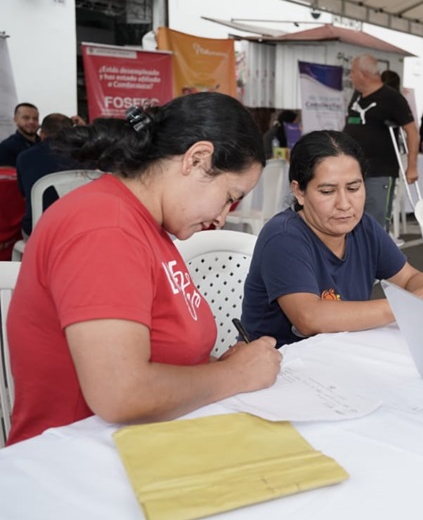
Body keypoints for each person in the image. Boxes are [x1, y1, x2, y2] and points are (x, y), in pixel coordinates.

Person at [6, 92, 283, 445]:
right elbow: (121, 393)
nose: (222, 217)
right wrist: (235, 374)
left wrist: (217, 367)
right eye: (230, 196)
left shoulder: (145, 224)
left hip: (137, 444)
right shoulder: (105, 226)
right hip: (76, 461)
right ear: (196, 159)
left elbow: (162, 349)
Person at [240, 131, 423, 346]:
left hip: (341, 352)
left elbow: (408, 278)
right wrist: (407, 305)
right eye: (327, 191)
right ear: (299, 192)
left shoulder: (363, 226)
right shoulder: (283, 237)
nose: (344, 204)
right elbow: (310, 318)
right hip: (281, 367)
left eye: (354, 188)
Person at [343, 54, 419, 232]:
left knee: (375, 221)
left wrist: (412, 166)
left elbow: (412, 132)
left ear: (363, 74)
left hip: (379, 171)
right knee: (351, 218)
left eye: (352, 72)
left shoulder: (392, 98)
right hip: (352, 170)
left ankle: (376, 258)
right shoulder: (357, 96)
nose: (350, 76)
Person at [15, 113, 80, 236]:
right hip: (78, 228)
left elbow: (24, 195)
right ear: (72, 134)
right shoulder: (86, 156)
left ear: (42, 134)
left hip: (37, 229)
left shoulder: (24, 157)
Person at [0, 102, 40, 167]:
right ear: (16, 120)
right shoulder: (6, 147)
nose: (31, 122)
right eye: (26, 118)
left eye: (35, 118)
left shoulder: (46, 144)